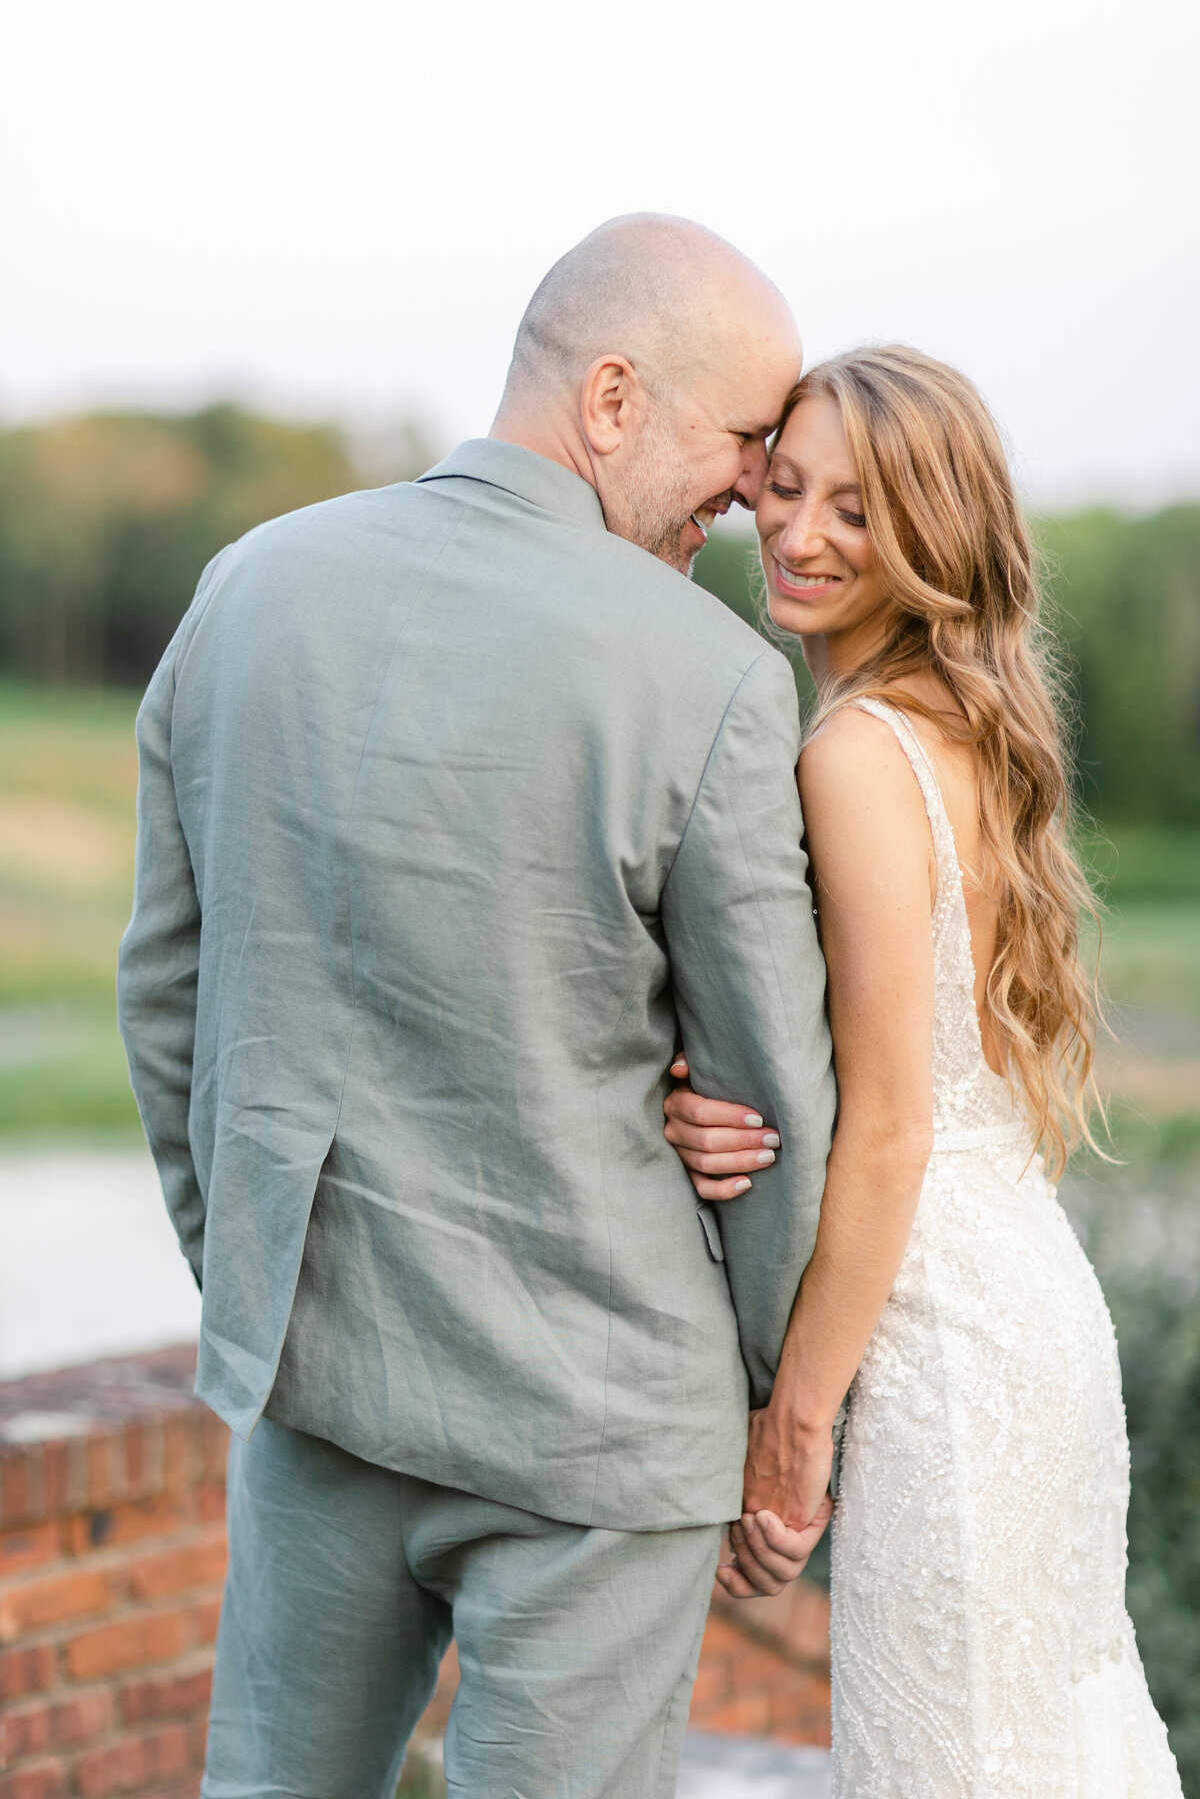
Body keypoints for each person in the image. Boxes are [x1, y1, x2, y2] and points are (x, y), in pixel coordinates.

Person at [116, 215, 837, 1799]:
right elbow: (775, 1097)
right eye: (737, 443)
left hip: (317, 1391)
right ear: (612, 397)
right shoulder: (711, 677)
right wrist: (781, 1412)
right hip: (603, 1431)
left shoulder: (247, 588)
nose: (745, 490)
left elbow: (165, 1005)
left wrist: (258, 1279)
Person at [662, 345, 1183, 1795]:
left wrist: (793, 1436)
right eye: (785, 488)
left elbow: (888, 1130)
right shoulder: (957, 735)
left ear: (931, 540)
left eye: (857, 508)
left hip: (942, 1352)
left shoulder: (853, 753)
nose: (800, 532)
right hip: (1035, 1317)